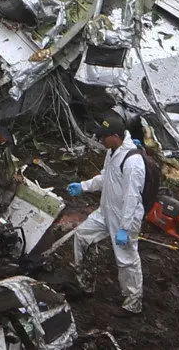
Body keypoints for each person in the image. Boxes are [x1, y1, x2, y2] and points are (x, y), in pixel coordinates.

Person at [67, 114, 145, 316]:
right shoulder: (112, 152)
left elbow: (132, 197)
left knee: (126, 260)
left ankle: (133, 304)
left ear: (116, 136)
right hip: (106, 211)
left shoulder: (133, 162)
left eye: (104, 137)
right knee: (82, 236)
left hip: (125, 217)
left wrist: (124, 229)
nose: (101, 141)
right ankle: (85, 284)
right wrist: (83, 187)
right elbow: (106, 178)